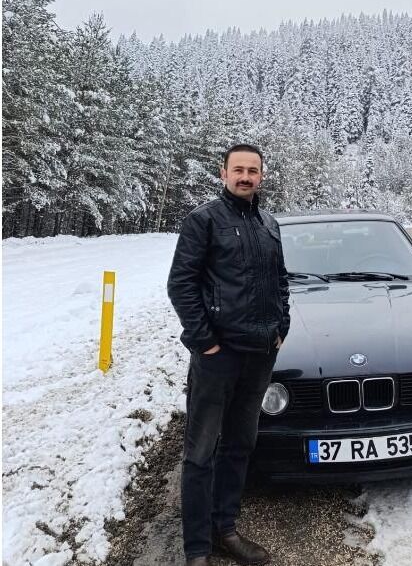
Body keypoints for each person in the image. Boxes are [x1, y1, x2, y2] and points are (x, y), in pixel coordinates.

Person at [167, 143, 290, 566]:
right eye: (238, 169)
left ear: (261, 175)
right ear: (223, 173)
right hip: (218, 357)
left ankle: (226, 530)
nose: (245, 176)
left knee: (239, 445)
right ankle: (197, 548)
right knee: (200, 451)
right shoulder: (203, 220)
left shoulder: (268, 224)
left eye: (252, 170)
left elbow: (280, 279)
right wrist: (205, 342)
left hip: (260, 354)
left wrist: (282, 327)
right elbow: (181, 284)